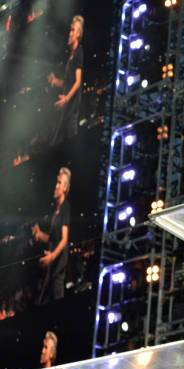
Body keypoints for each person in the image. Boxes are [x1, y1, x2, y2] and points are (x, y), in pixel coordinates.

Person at [32, 167, 71, 304]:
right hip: (52, 266)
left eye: (59, 183)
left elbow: (64, 239)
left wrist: (52, 256)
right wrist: (40, 234)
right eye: (57, 182)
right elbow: (53, 239)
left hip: (58, 265)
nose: (56, 186)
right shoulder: (56, 211)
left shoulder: (65, 207)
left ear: (65, 188)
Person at [47, 15, 84, 146]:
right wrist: (56, 81)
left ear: (78, 33)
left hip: (71, 105)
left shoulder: (79, 52)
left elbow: (78, 82)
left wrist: (66, 99)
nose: (70, 33)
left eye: (72, 30)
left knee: (68, 138)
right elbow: (68, 82)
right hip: (67, 105)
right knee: (57, 139)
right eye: (70, 30)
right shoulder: (71, 56)